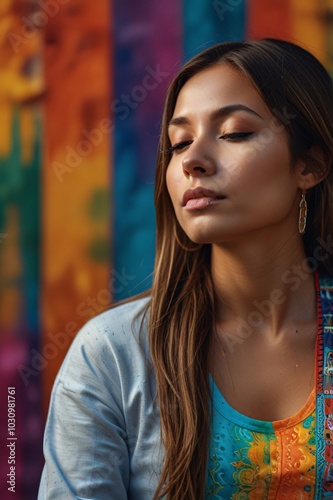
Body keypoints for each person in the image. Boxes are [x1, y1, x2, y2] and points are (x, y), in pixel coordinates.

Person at [38, 38, 333, 499]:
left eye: (234, 133)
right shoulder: (111, 354)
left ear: (310, 164)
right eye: (179, 142)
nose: (193, 160)